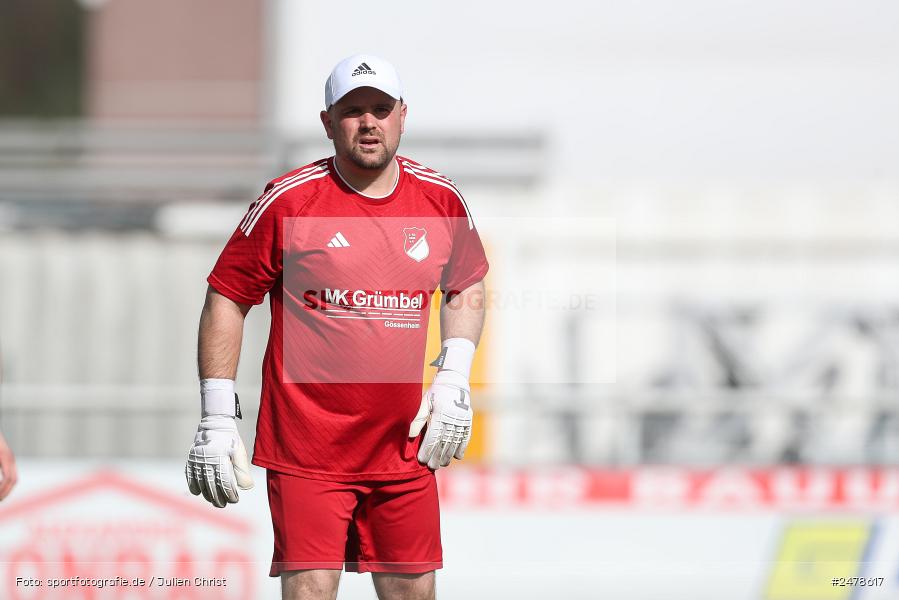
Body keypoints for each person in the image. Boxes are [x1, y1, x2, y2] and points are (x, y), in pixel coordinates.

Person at [184, 54, 488, 600]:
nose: (368, 122)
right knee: (311, 592)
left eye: (380, 108)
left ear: (402, 116)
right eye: (352, 111)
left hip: (404, 447)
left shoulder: (439, 198)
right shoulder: (290, 200)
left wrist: (454, 378)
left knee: (413, 594)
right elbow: (227, 296)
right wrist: (215, 415)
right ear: (327, 122)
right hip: (307, 450)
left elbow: (466, 285)